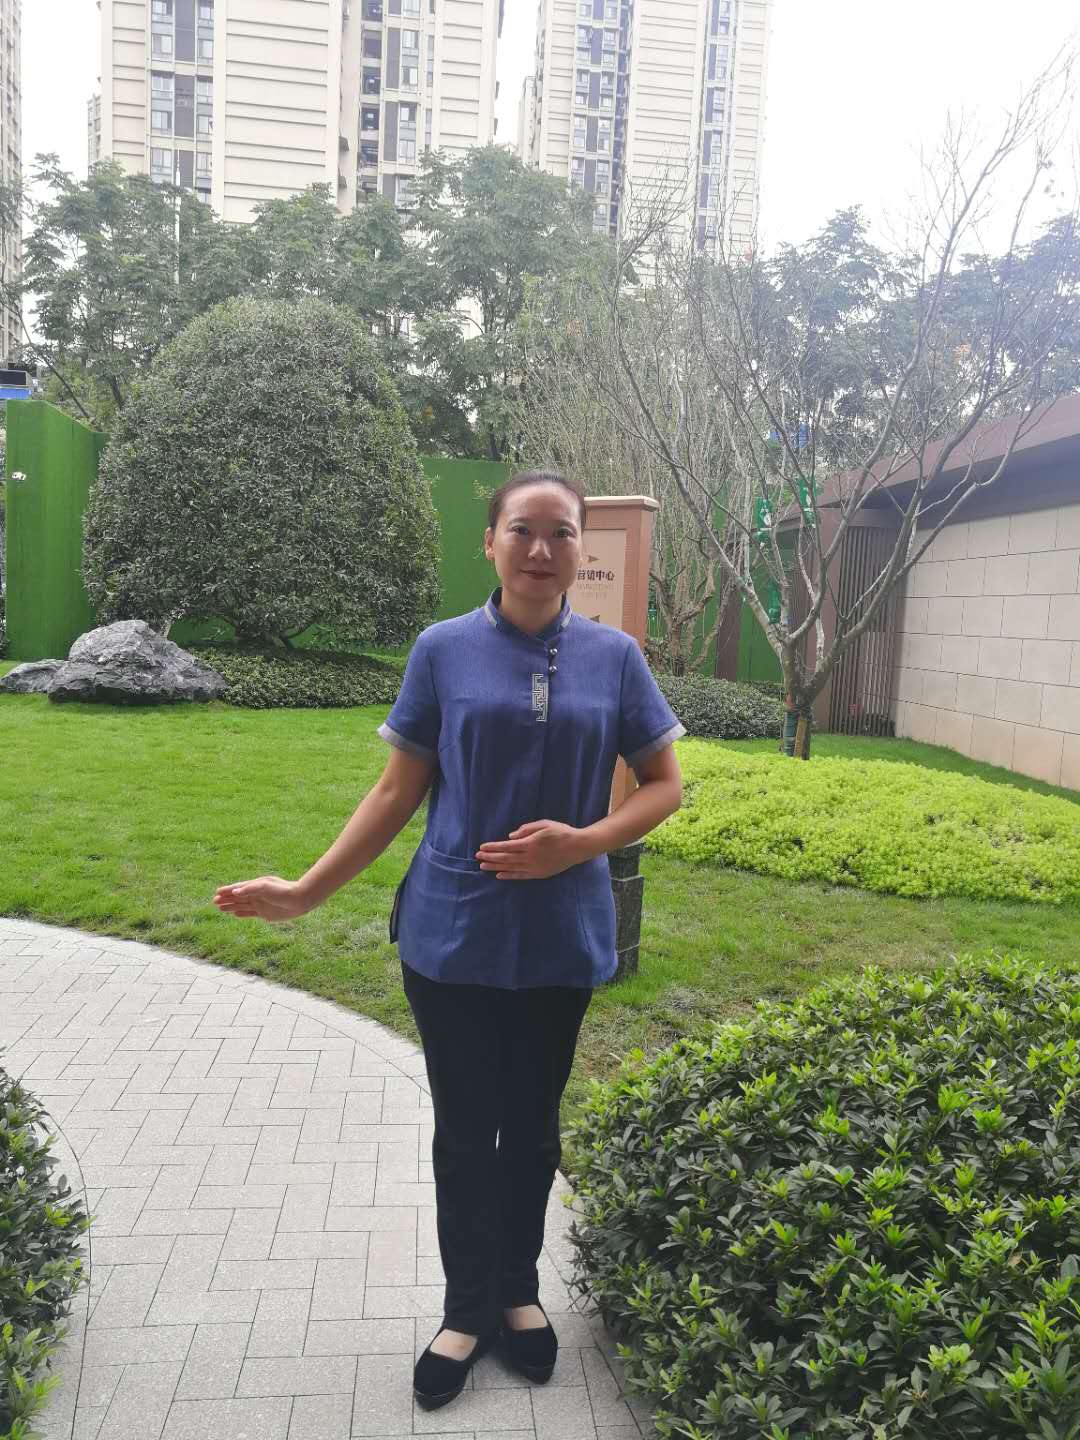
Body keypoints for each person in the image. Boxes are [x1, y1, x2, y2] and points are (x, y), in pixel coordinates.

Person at [212, 470, 685, 1412]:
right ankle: (465, 1309)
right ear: (490, 541)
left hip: (561, 933)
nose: (542, 549)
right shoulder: (443, 650)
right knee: (466, 1129)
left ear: (581, 546)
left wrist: (580, 844)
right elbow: (398, 790)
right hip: (453, 932)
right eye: (523, 529)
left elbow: (664, 783)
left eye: (561, 532)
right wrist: (305, 891)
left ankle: (518, 1292)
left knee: (534, 1124)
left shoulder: (615, 658)